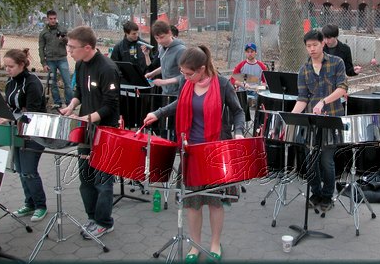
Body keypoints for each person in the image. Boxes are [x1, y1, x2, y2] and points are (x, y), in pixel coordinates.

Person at [143, 45, 245, 263]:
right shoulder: (186, 83)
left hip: (215, 151)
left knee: (215, 202)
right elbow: (180, 103)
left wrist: (238, 133)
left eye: (189, 73)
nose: (185, 77)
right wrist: (157, 113)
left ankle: (215, 243)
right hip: (190, 151)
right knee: (192, 203)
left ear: (201, 69)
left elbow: (238, 111)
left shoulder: (222, 84)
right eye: (183, 73)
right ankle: (195, 245)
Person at [59, 26, 120, 239]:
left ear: (87, 47)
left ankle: (105, 222)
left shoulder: (107, 69)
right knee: (86, 178)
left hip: (105, 132)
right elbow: (80, 91)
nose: (69, 50)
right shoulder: (80, 64)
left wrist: (87, 118)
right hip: (85, 131)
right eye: (68, 46)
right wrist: (71, 107)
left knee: (102, 182)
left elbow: (110, 106)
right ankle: (92, 217)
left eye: (72, 47)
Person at [291, 30, 348, 211]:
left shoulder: (336, 63)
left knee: (326, 161)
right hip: (311, 121)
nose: (312, 49)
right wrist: (292, 117)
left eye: (315, 45)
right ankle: (315, 192)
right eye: (308, 46)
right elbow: (302, 98)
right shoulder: (304, 69)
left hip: (331, 118)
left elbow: (342, 88)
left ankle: (327, 195)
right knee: (310, 160)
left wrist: (324, 101)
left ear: (323, 43)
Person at [0, 48, 48, 222]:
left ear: (22, 65)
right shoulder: (10, 83)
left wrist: (9, 116)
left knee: (30, 171)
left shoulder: (32, 83)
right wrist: (2, 112)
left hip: (35, 133)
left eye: (11, 66)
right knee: (21, 171)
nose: (7, 70)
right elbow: (10, 105)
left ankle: (41, 205)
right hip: (17, 132)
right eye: (6, 66)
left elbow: (31, 112)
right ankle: (29, 203)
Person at [38, 10, 73, 108]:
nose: (53, 21)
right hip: (50, 60)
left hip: (62, 58)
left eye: (54, 18)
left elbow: (69, 43)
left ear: (56, 18)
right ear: (47, 19)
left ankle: (70, 103)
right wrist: (43, 63)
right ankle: (57, 102)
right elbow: (41, 48)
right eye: (51, 19)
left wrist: (63, 38)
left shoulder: (62, 29)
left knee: (67, 82)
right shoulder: (43, 33)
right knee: (53, 83)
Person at [144, 20, 186, 95]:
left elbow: (186, 75)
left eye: (162, 37)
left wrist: (165, 82)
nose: (159, 41)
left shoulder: (181, 50)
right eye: (157, 38)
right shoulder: (162, 48)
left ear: (169, 33)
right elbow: (165, 66)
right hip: (166, 92)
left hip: (178, 93)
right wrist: (152, 73)